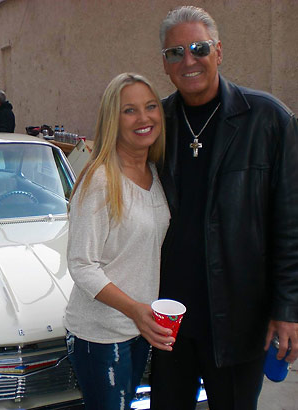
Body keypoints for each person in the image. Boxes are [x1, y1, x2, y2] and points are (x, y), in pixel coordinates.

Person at [151, 6, 298, 410]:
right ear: (165, 65)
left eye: (198, 48)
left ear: (219, 52)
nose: (188, 60)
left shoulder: (268, 119)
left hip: (239, 320)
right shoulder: (156, 123)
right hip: (166, 320)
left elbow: (290, 225)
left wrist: (287, 311)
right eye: (175, 53)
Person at [64, 73, 173, 410]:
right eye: (130, 110)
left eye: (151, 106)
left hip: (140, 328)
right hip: (101, 333)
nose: (144, 118)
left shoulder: (155, 173)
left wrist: (142, 316)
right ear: (113, 119)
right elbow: (82, 264)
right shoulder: (100, 180)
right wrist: (135, 311)